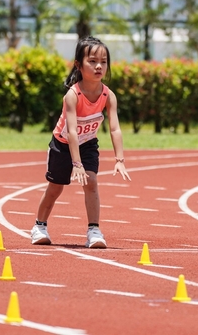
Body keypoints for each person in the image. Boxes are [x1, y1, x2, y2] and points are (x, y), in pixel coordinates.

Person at [31, 36, 131, 248]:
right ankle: (39, 226)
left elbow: (115, 128)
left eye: (103, 62)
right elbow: (72, 132)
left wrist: (120, 159)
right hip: (63, 144)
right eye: (92, 61)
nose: (99, 66)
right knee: (55, 188)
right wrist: (76, 164)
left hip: (88, 144)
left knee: (91, 182)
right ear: (78, 65)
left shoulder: (108, 95)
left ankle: (94, 230)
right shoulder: (72, 95)